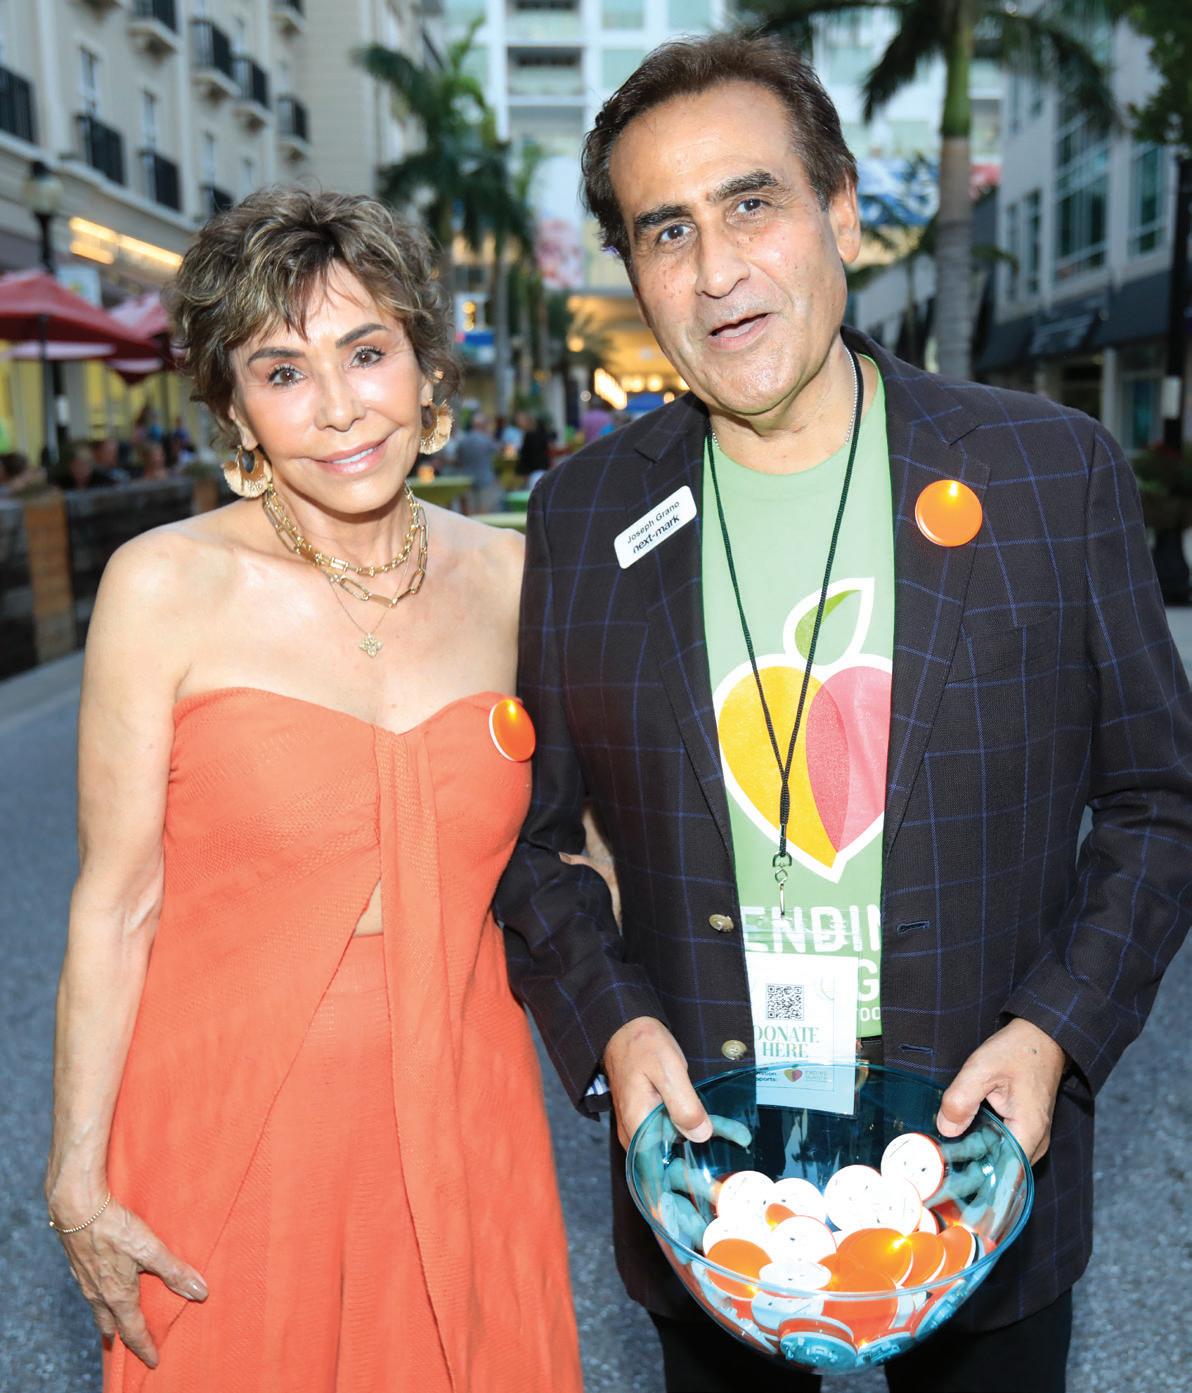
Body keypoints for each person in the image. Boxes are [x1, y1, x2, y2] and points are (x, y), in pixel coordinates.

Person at [495, 34, 1192, 1393]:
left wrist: (1055, 1029)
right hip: (710, 1177)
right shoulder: (583, 514)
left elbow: (1159, 799)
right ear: (634, 272)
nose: (715, 269)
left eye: (751, 203)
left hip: (980, 1155)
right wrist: (614, 1029)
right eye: (666, 230)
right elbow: (535, 838)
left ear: (844, 216)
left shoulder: (1048, 474)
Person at [46, 187, 582, 1393]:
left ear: (428, 370)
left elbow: (583, 857)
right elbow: (117, 903)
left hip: (465, 1111)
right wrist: (76, 1175)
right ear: (234, 409)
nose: (339, 405)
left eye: (366, 351)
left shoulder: (516, 582)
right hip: (231, 1124)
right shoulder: (164, 586)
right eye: (282, 371)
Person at [452, 410, 503, 512]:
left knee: (470, 511)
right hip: (485, 479)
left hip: (467, 479)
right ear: (483, 425)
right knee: (484, 510)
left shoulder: (464, 440)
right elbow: (499, 451)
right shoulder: (486, 440)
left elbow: (458, 459)